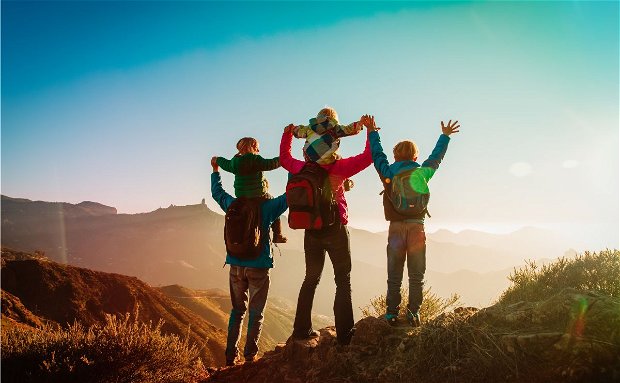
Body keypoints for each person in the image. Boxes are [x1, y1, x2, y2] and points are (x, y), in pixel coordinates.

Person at [280, 121, 372, 345]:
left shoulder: (300, 168)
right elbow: (368, 157)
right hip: (335, 229)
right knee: (343, 280)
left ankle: (301, 330)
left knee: (310, 279)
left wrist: (287, 135)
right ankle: (344, 336)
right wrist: (370, 131)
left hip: (311, 231)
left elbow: (284, 158)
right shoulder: (339, 167)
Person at [364, 115, 460, 327]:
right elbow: (436, 158)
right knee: (416, 275)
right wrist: (445, 136)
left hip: (396, 228)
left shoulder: (388, 173)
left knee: (394, 275)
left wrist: (372, 131)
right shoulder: (422, 173)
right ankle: (413, 313)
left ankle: (391, 314)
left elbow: (377, 155)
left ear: (396, 155)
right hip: (417, 227)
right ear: (415, 155)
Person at [210, 156, 288, 366]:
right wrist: (294, 169)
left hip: (235, 265)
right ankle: (250, 357)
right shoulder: (267, 207)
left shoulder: (232, 204)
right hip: (259, 266)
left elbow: (217, 193)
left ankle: (230, 356)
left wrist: (216, 171)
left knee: (237, 311)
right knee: (256, 312)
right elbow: (288, 197)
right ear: (260, 180)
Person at [215, 137, 287, 243]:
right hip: (259, 196)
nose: (258, 151)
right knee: (273, 204)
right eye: (257, 148)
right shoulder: (256, 160)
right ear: (252, 147)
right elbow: (271, 163)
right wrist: (285, 159)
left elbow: (224, 163)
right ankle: (278, 235)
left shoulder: (234, 163)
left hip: (241, 197)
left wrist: (216, 160)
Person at [293, 106, 364, 165]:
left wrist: (294, 128)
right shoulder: (335, 128)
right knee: (340, 160)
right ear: (333, 118)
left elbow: (299, 132)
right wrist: (359, 124)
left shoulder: (309, 127)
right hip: (327, 160)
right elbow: (348, 129)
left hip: (310, 159)